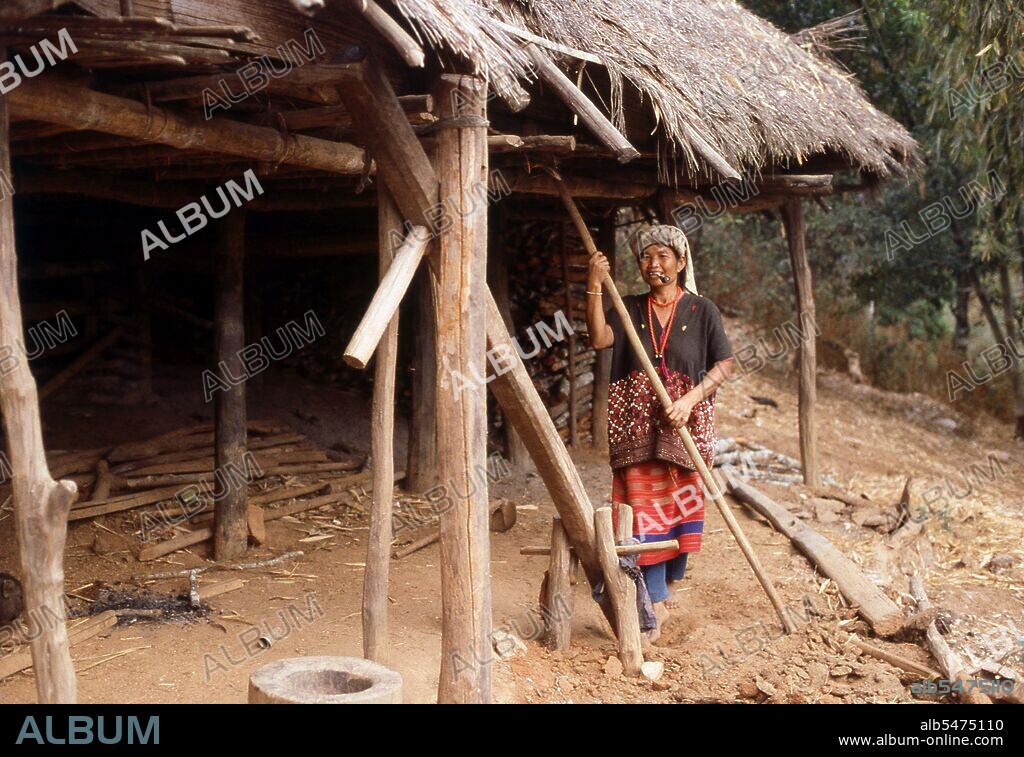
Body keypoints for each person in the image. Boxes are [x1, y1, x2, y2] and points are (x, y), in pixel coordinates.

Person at [585, 224, 734, 641]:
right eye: (647, 257)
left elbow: (724, 364)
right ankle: (650, 602)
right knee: (642, 511)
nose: (654, 264)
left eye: (663, 256)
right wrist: (594, 285)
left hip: (686, 427)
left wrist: (690, 400)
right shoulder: (630, 307)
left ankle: (663, 593)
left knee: (677, 509)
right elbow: (599, 338)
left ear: (681, 262)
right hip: (634, 425)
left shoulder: (703, 310)